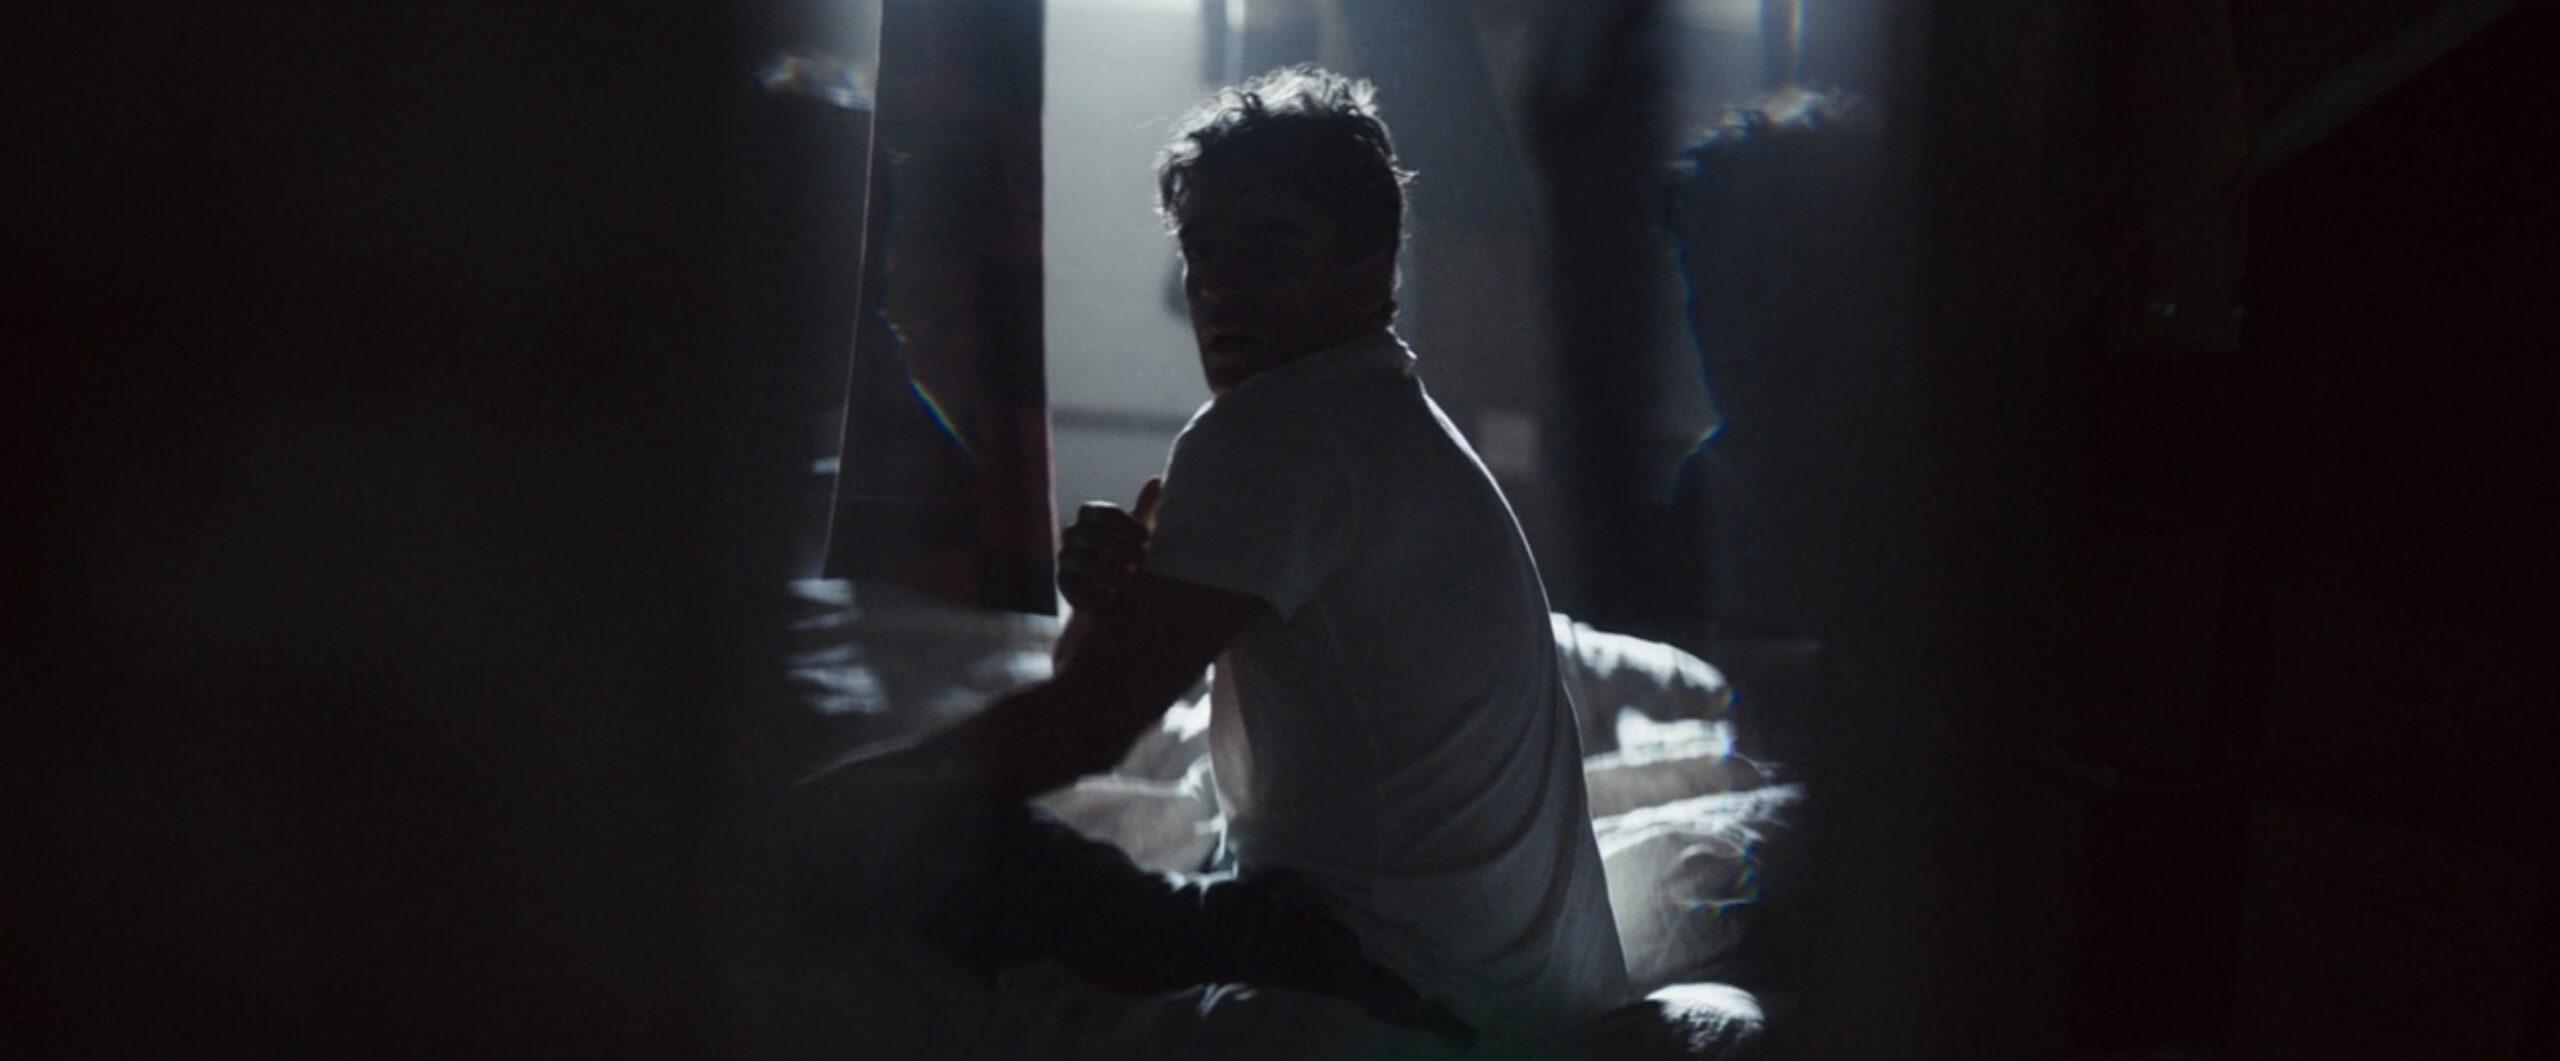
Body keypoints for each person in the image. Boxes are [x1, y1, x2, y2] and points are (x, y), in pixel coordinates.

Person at [836, 64, 1629, 1049]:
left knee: (934, 843)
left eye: (1268, 245)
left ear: (1371, 265)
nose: (1218, 285)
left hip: (1387, 978)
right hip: (1508, 985)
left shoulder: (1280, 429)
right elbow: (1095, 692)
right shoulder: (1385, 417)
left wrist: (852, 798)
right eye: (1201, 249)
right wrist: (1110, 605)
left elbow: (1082, 729)